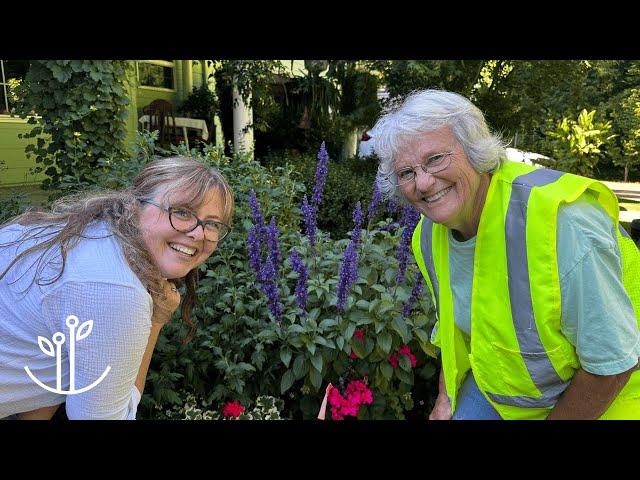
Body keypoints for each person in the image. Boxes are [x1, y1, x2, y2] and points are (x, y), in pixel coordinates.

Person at [372, 89, 640, 420]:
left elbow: (611, 365)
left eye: (435, 159)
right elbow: (456, 331)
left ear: (474, 150)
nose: (423, 183)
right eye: (406, 173)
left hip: (612, 394)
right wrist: (445, 397)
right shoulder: (428, 236)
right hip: (515, 395)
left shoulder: (562, 224)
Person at [0, 156, 233, 420]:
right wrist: (157, 321)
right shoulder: (116, 288)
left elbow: (49, 370)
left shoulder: (95, 234)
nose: (199, 234)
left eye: (212, 224)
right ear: (135, 208)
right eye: (181, 212)